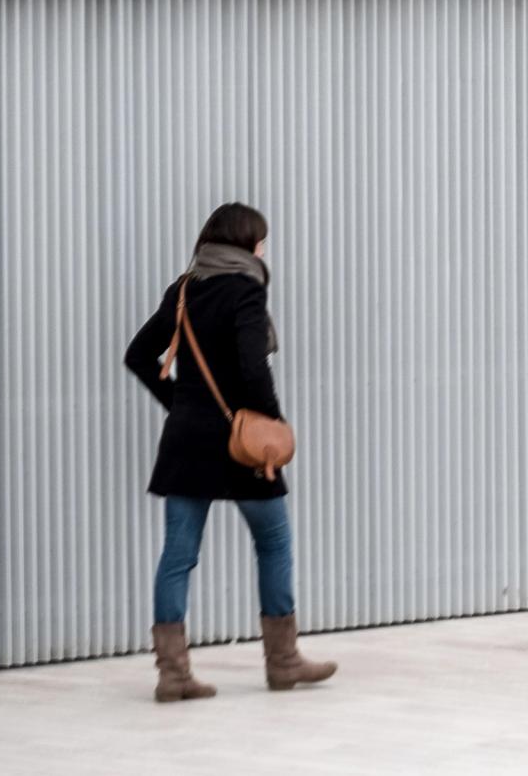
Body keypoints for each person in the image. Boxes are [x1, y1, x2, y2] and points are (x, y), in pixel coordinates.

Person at [122, 202, 337, 701]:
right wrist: (271, 421)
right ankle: (283, 662)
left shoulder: (184, 288)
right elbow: (252, 366)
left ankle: (172, 675)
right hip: (243, 444)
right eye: (261, 240)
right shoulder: (245, 288)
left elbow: (137, 353)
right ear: (248, 244)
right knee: (275, 543)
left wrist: (179, 403)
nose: (264, 249)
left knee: (178, 555)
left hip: (185, 443)